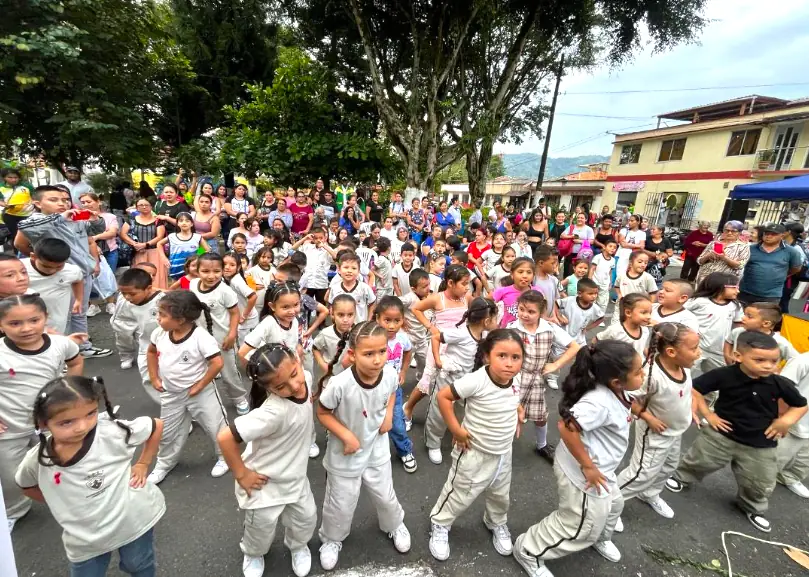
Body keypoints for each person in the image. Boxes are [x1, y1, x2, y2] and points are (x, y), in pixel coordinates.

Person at [512, 341, 645, 574]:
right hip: (584, 473)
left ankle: (599, 536)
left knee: (614, 504)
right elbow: (566, 427)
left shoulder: (617, 389)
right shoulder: (599, 402)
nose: (643, 374)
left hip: (601, 469)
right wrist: (588, 466)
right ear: (616, 381)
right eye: (638, 371)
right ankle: (529, 550)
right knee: (578, 523)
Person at [16, 376, 164, 575]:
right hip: (84, 539)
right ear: (43, 424)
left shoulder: (112, 432)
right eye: (67, 422)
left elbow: (155, 425)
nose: (82, 427)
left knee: (137, 564)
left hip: (132, 521)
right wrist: (60, 500)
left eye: (91, 413)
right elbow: (26, 485)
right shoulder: (38, 460)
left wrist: (143, 463)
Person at [665, 331, 808, 533]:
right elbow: (695, 388)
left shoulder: (779, 383)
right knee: (700, 460)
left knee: (760, 481)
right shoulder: (725, 374)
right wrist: (709, 414)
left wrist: (785, 421)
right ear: (738, 356)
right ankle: (682, 477)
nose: (768, 366)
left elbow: (801, 405)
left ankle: (752, 507)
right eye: (759, 360)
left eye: (774, 361)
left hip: (761, 442)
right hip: (721, 433)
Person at [315, 321, 412, 571]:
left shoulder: (389, 373)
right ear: (352, 354)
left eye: (381, 351)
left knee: (385, 494)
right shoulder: (339, 384)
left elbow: (391, 391)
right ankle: (332, 539)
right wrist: (346, 436)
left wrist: (389, 414)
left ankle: (394, 525)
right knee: (340, 501)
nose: (377, 359)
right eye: (368, 353)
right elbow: (323, 412)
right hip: (345, 452)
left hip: (377, 446)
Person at [216, 343, 318, 577]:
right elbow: (225, 438)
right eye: (281, 386)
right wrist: (242, 474)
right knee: (259, 529)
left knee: (305, 518)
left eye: (294, 374)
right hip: (265, 482)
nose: (294, 385)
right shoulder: (272, 412)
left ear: (297, 361)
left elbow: (304, 395)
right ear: (269, 388)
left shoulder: (307, 378)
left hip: (295, 475)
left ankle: (298, 545)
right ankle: (253, 553)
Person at [428, 328, 524, 561]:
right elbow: (443, 397)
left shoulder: (516, 379)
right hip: (474, 451)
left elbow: (514, 399)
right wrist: (456, 430)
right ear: (486, 357)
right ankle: (440, 523)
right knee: (460, 492)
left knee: (500, 495)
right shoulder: (476, 380)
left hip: (503, 453)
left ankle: (496, 522)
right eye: (502, 355)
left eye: (516, 357)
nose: (509, 363)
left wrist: (518, 413)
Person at [0, 295, 83, 532]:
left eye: (34, 320)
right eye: (14, 324)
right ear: (1, 325)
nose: (26, 328)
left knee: (60, 460)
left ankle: (70, 496)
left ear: (45, 318)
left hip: (51, 422)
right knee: (10, 474)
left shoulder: (60, 344)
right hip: (9, 427)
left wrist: (70, 390)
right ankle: (14, 510)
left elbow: (75, 360)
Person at [613, 323, 700, 538]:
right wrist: (647, 417)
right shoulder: (651, 375)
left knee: (668, 466)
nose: (699, 353)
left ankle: (650, 494)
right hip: (655, 433)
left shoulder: (684, 368)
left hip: (675, 431)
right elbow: (626, 397)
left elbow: (687, 392)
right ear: (671, 352)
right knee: (641, 474)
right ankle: (608, 504)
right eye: (694, 348)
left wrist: (692, 410)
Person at [16, 185, 112, 358]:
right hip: (56, 275)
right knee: (58, 316)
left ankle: (82, 347)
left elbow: (96, 231)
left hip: (83, 274)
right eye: (53, 200)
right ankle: (60, 352)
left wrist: (95, 219)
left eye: (65, 200)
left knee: (79, 313)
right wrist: (59, 218)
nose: (62, 203)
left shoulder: (74, 218)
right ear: (37, 203)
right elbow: (23, 232)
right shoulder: (36, 221)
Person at [145, 291, 229, 484]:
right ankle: (165, 463)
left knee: (215, 425)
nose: (158, 318)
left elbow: (217, 363)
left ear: (181, 319)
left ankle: (225, 457)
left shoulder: (200, 337)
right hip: (171, 393)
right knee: (168, 432)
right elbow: (150, 351)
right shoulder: (160, 333)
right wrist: (154, 377)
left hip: (200, 393)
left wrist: (200, 386)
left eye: (163, 315)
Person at [424, 297, 499, 467]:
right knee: (438, 413)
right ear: (486, 320)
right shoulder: (460, 333)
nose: (496, 322)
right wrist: (438, 360)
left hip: (467, 385)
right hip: (447, 381)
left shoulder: (486, 335)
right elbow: (436, 338)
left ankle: (457, 434)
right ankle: (433, 443)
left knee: (463, 411)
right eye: (495, 318)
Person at [509, 290, 580, 462]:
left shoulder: (549, 329)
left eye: (531, 311)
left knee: (540, 416)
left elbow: (574, 347)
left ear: (541, 313)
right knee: (508, 415)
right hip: (514, 380)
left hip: (535, 380)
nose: (525, 315)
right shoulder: (511, 328)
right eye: (521, 310)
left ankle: (542, 445)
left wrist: (555, 365)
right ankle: (501, 446)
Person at [191, 253, 249, 415]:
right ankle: (202, 403)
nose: (211, 276)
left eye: (216, 271)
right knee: (200, 370)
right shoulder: (193, 285)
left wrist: (232, 335)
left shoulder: (225, 291)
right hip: (199, 338)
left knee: (228, 371)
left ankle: (239, 398)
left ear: (223, 271)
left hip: (221, 339)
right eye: (205, 271)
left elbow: (235, 313)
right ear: (197, 270)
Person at [114, 267, 166, 403]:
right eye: (123, 293)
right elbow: (123, 322)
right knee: (149, 379)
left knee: (173, 380)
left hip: (168, 347)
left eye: (132, 293)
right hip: (146, 348)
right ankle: (170, 409)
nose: (127, 297)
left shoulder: (164, 301)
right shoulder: (128, 303)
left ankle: (182, 410)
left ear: (148, 288)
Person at [685, 272, 743, 376]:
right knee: (688, 374)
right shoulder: (698, 301)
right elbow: (680, 313)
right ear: (719, 286)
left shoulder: (735, 305)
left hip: (719, 350)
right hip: (697, 347)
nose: (738, 291)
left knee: (718, 377)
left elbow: (738, 326)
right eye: (734, 287)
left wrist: (734, 347)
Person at [23, 238, 83, 334]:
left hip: (57, 323)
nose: (52, 270)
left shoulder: (71, 271)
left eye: (59, 267)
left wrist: (78, 300)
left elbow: (78, 280)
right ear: (33, 257)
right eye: (46, 266)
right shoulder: (20, 269)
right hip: (27, 325)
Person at [738, 222, 803, 306]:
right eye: (767, 233)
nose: (769, 236)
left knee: (765, 318)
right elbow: (740, 264)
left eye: (773, 234)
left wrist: (782, 274)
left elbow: (796, 268)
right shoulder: (751, 248)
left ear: (782, 236)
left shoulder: (791, 252)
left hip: (771, 295)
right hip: (745, 292)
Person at [776, 352, 809, 499]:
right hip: (794, 420)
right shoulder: (802, 360)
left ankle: (790, 478)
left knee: (803, 461)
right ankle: (759, 482)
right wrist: (781, 417)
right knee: (777, 457)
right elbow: (783, 387)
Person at [723, 302, 797, 365]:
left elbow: (795, 359)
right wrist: (727, 355)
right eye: (744, 314)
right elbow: (729, 341)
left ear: (766, 323)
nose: (743, 318)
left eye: (749, 316)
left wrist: (782, 374)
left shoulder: (780, 342)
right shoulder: (737, 331)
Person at [121, 198, 170, 290]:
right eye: (141, 205)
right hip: (138, 252)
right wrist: (134, 244)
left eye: (146, 205)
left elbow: (160, 236)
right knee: (139, 277)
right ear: (136, 208)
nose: (144, 207)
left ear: (151, 207)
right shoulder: (131, 219)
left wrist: (145, 244)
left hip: (155, 252)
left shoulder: (157, 220)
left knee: (158, 277)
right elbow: (123, 234)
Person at [597, 294, 652, 358]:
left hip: (638, 366)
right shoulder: (615, 330)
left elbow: (641, 347)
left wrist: (648, 356)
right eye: (643, 312)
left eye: (650, 313)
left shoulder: (645, 330)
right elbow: (597, 340)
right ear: (628, 312)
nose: (649, 316)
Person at [325, 252, 376, 322]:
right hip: (341, 327)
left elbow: (372, 303)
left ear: (359, 271)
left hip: (359, 328)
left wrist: (368, 321)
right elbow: (331, 305)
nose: (349, 271)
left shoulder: (365, 288)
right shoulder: (335, 288)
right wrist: (333, 318)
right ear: (339, 270)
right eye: (346, 267)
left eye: (354, 268)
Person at [313, 294, 356, 376]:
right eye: (341, 315)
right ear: (332, 313)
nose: (345, 320)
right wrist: (322, 364)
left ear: (355, 313)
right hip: (330, 378)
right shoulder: (325, 334)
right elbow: (315, 348)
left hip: (352, 378)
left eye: (350, 315)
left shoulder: (359, 333)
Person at [695, 220, 749, 285]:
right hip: (704, 278)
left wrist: (724, 258)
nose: (729, 233)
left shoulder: (743, 247)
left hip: (723, 282)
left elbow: (740, 265)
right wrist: (708, 255)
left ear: (739, 233)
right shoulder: (713, 243)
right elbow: (699, 261)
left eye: (733, 231)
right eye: (727, 230)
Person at [221, 252, 259, 345]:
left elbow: (253, 296)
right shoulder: (227, 278)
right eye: (224, 264)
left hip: (248, 321)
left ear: (238, 268)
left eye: (232, 265)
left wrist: (244, 316)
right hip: (241, 319)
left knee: (247, 347)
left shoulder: (236, 281)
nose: (227, 267)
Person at [611, 251, 657, 325]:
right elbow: (617, 286)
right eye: (640, 262)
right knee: (616, 326)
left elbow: (653, 293)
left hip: (638, 309)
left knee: (634, 327)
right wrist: (619, 295)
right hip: (621, 307)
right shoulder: (622, 276)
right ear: (630, 262)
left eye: (645, 263)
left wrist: (649, 306)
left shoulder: (648, 278)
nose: (643, 265)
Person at [158, 212, 208, 281]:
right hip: (176, 270)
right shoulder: (172, 237)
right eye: (181, 221)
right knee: (177, 290)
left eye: (187, 221)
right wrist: (163, 257)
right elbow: (159, 244)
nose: (184, 223)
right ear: (177, 223)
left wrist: (197, 256)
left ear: (192, 224)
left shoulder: (197, 237)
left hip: (193, 271)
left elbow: (207, 249)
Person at [0, 167, 34, 243]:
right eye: (10, 177)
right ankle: (17, 253)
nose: (13, 179)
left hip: (28, 215)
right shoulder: (1, 187)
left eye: (16, 177)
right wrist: (4, 205)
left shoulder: (27, 186)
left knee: (30, 235)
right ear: (4, 178)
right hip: (10, 216)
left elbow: (35, 197)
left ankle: (31, 252)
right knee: (15, 235)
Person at [559, 212, 595, 278]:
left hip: (582, 254)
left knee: (579, 272)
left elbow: (592, 241)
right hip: (570, 252)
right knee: (567, 271)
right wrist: (572, 236)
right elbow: (562, 236)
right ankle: (565, 286)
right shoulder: (571, 227)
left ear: (586, 219)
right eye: (578, 218)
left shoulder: (588, 229)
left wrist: (580, 241)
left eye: (582, 218)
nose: (579, 219)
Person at [588, 239, 617, 313]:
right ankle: (589, 314)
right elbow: (592, 269)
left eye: (614, 247)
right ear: (604, 247)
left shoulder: (613, 260)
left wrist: (610, 283)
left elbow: (610, 272)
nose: (612, 249)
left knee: (603, 301)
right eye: (610, 246)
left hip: (605, 284)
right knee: (592, 299)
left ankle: (600, 317)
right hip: (595, 282)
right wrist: (589, 280)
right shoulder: (598, 257)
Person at [615, 214, 646, 280]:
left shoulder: (642, 233)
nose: (629, 222)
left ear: (638, 222)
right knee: (618, 275)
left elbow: (642, 246)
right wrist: (637, 245)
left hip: (633, 256)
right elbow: (623, 244)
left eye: (632, 221)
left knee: (629, 276)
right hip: (621, 255)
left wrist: (627, 244)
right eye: (629, 220)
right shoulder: (624, 230)